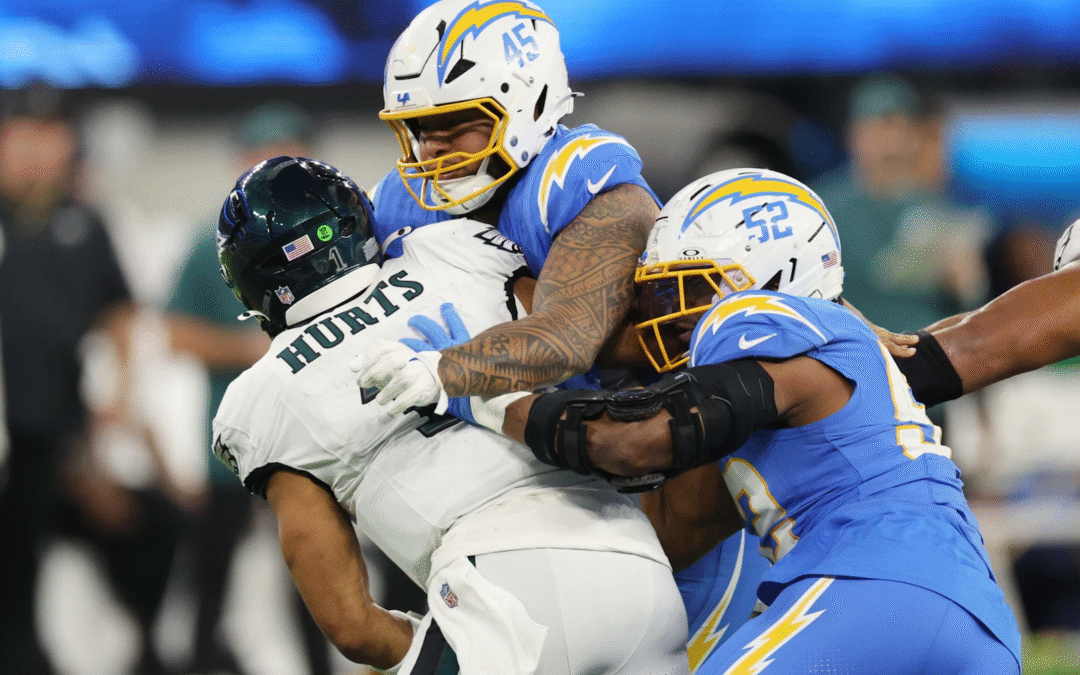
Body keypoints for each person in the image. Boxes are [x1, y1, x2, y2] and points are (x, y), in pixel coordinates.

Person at [384, 168, 1024, 673]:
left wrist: (476, 393)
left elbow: (632, 441)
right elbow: (670, 510)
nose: (671, 315)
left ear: (769, 275)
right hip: (975, 618)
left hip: (871, 584)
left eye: (688, 289)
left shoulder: (767, 324)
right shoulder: (832, 345)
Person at [365, 0, 768, 657]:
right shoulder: (396, 202)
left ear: (527, 102)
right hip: (519, 500)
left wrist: (441, 371)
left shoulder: (585, 182)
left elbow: (565, 338)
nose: (431, 152)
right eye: (418, 131)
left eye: (456, 126)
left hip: (657, 486)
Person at [211, 155, 690, 674]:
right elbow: (589, 342)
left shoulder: (262, 397)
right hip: (637, 563)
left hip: (503, 591)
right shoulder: (452, 248)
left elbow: (351, 626)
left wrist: (443, 658)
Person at [0, 84, 177, 675]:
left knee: (150, 524)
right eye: (23, 133)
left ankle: (146, 649)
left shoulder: (85, 224)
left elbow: (120, 319)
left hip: (62, 436)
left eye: (50, 133)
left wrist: (119, 401)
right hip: (7, 431)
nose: (36, 148)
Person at [164, 101, 342, 675]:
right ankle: (200, 661)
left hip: (314, 442)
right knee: (211, 575)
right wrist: (247, 350)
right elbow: (175, 333)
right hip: (234, 446)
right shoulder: (212, 247)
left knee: (317, 573)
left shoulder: (336, 235)